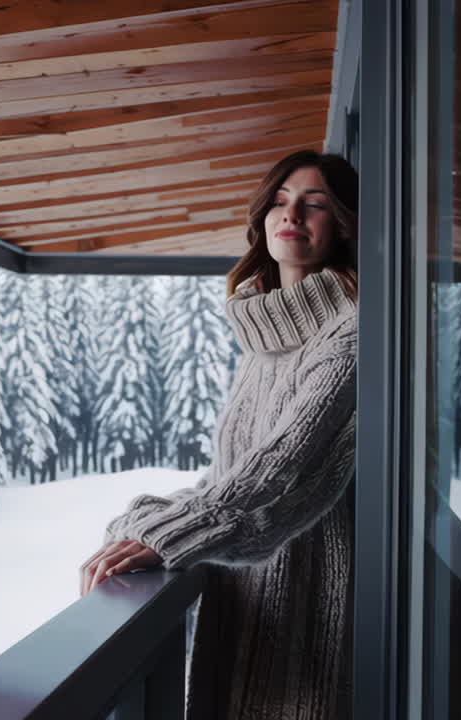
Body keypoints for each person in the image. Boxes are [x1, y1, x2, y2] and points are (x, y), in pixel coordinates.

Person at [79, 149, 360, 719]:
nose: (292, 216)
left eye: (315, 205)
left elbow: (279, 468)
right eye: (280, 201)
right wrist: (146, 519)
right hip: (247, 587)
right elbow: (228, 476)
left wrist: (170, 532)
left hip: (315, 591)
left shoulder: (353, 331)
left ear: (345, 225)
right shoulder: (264, 343)